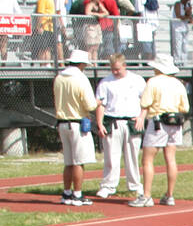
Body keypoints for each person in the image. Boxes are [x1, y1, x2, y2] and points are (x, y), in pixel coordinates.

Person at [135, 55, 189, 206]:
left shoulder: (153, 82)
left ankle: (146, 195)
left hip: (158, 121)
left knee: (147, 159)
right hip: (175, 122)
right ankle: (169, 194)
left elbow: (145, 102)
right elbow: (185, 107)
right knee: (171, 159)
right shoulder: (178, 84)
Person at [95, 53, 146, 200]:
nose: (115, 72)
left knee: (133, 156)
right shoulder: (105, 82)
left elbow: (146, 101)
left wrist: (142, 117)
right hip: (113, 121)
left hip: (132, 121)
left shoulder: (137, 80)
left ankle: (135, 185)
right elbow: (101, 104)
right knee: (111, 156)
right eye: (113, 69)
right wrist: (100, 123)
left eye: (117, 69)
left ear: (124, 65)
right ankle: (108, 186)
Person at [53, 48, 101, 206]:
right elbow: (90, 104)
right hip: (78, 122)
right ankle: (77, 194)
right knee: (79, 161)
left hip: (62, 121)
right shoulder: (80, 78)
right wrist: (98, 103)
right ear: (81, 64)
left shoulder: (59, 77)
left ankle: (66, 193)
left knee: (68, 161)